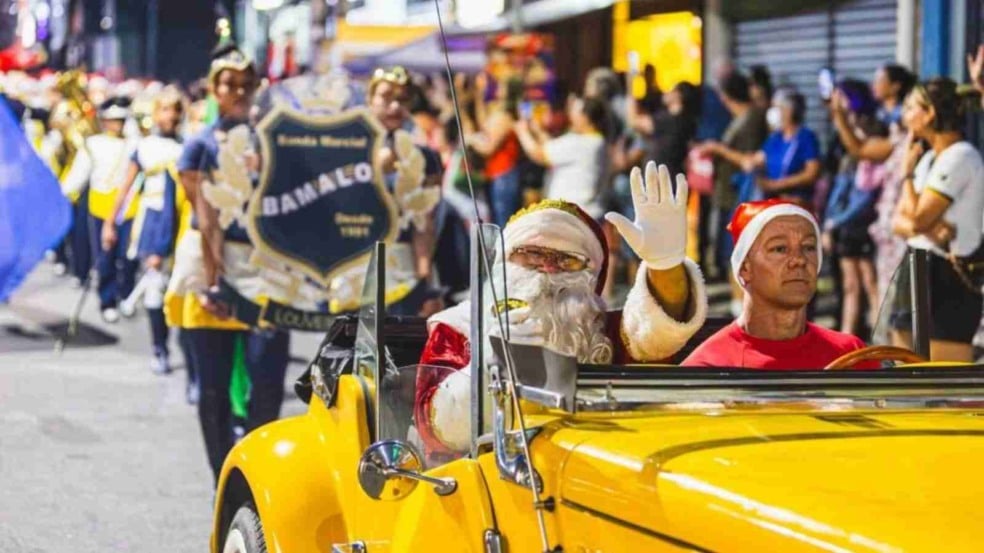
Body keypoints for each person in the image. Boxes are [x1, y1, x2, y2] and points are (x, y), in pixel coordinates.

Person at [415, 163, 708, 453]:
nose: (548, 267)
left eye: (568, 260)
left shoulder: (600, 332)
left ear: (590, 276)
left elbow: (656, 332)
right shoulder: (460, 326)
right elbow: (435, 430)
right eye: (530, 253)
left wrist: (665, 266)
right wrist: (488, 366)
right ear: (503, 263)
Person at [169, 46, 291, 483]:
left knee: (268, 381)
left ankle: (256, 476)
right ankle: (223, 476)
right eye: (228, 84)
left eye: (245, 83)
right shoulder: (199, 145)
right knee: (215, 387)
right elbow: (205, 217)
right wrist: (214, 281)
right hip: (214, 268)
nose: (237, 91)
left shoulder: (276, 142)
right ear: (213, 89)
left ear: (256, 88)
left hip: (267, 272)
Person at [684, 199, 867, 369]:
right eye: (780, 249)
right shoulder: (708, 367)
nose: (799, 260)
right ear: (745, 268)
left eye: (809, 247)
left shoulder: (851, 355)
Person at [891, 78, 984, 362]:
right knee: (905, 366)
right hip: (917, 264)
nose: (904, 116)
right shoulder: (929, 157)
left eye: (911, 108)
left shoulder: (961, 156)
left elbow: (917, 219)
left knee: (945, 373)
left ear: (930, 113)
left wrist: (907, 176)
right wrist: (931, 230)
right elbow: (898, 221)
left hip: (948, 274)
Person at [102, 86, 186, 376]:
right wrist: (110, 222)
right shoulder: (146, 147)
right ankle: (159, 348)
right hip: (152, 221)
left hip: (182, 223)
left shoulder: (187, 147)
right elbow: (126, 187)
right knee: (154, 288)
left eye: (176, 110)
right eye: (165, 109)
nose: (171, 116)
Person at [832, 66, 914, 299]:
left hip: (895, 219)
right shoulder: (888, 125)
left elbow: (861, 150)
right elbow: (861, 149)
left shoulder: (898, 127)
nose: (873, 85)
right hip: (888, 221)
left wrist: (840, 117)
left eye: (880, 80)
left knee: (889, 290)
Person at [823, 80, 885, 338]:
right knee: (850, 284)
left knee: (870, 282)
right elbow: (840, 183)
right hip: (845, 219)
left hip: (864, 220)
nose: (835, 103)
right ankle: (848, 338)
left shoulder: (873, 131)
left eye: (841, 98)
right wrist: (830, 220)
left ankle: (878, 337)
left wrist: (834, 221)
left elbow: (868, 191)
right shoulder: (841, 135)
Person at [696, 72, 768, 285]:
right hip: (727, 190)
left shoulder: (752, 118)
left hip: (740, 191)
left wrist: (718, 149)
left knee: (737, 249)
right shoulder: (739, 118)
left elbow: (748, 159)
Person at [709, 89, 820, 207]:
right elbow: (752, 161)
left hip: (795, 203)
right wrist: (719, 149)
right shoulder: (775, 138)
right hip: (774, 202)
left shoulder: (805, 137)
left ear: (789, 111)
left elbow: (811, 173)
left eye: (777, 108)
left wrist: (777, 184)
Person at [83, 96, 140, 323]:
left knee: (128, 256)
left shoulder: (133, 143)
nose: (117, 124)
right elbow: (82, 171)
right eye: (113, 120)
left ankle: (126, 294)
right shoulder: (94, 143)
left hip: (127, 207)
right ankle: (107, 299)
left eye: (121, 120)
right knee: (105, 256)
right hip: (100, 206)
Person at [513, 94, 610, 219]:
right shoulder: (595, 141)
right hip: (580, 214)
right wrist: (537, 131)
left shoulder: (583, 143)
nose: (571, 116)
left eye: (574, 112)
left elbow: (539, 154)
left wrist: (522, 131)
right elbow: (553, 147)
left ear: (585, 117)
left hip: (574, 216)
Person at [465, 77, 522, 226]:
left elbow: (488, 148)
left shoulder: (505, 117)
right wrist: (479, 95)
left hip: (504, 175)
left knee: (502, 224)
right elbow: (484, 123)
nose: (498, 89)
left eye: (502, 86)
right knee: (498, 221)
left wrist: (470, 141)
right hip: (498, 175)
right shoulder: (500, 113)